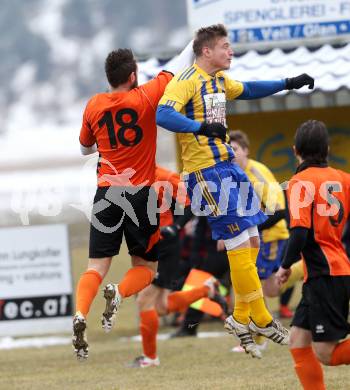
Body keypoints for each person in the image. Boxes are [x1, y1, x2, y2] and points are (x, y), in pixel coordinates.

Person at [156, 23, 313, 357]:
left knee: (252, 240)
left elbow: (251, 89)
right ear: (206, 51)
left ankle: (241, 317)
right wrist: (199, 126)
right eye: (226, 46)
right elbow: (162, 113)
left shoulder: (219, 81)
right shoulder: (186, 81)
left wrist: (288, 83)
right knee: (240, 242)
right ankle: (261, 318)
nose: (231, 51)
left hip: (228, 167)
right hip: (207, 174)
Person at [72, 42, 196, 361]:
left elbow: (85, 149)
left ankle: (81, 313)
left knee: (95, 266)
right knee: (145, 266)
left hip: (106, 193)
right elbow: (177, 67)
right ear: (133, 74)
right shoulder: (145, 96)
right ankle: (120, 292)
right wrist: (194, 43)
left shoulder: (94, 104)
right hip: (139, 194)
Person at [275, 120, 350, 389]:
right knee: (297, 339)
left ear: (296, 150)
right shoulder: (343, 178)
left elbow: (299, 233)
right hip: (328, 271)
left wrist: (284, 266)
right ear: (327, 149)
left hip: (324, 274)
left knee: (326, 353)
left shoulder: (299, 182)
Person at [129, 166, 224, 368]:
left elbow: (191, 203)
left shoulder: (165, 176)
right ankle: (206, 289)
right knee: (161, 308)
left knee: (144, 300)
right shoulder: (126, 176)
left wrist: (176, 226)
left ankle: (150, 358)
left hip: (165, 246)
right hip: (147, 246)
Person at [229, 130, 303, 302]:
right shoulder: (233, 174)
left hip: (270, 235)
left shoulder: (256, 174)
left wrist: (246, 228)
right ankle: (261, 324)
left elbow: (279, 211)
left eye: (235, 148)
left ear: (246, 150)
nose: (231, 153)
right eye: (228, 149)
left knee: (267, 289)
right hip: (255, 234)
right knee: (257, 283)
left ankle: (304, 266)